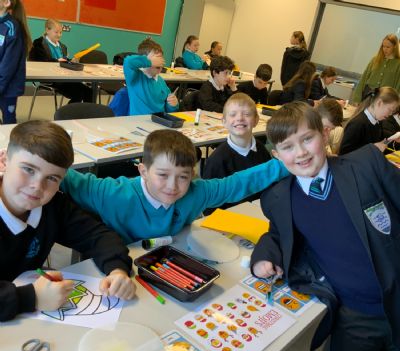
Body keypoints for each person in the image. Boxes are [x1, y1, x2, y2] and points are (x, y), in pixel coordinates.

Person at [251, 101, 400, 351]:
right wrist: (263, 256)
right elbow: (277, 233)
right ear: (277, 155)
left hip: (397, 298)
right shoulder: (280, 198)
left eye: (307, 139)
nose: (301, 153)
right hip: (354, 317)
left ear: (325, 134)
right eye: (288, 147)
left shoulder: (366, 165)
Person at [0, 120, 135, 322]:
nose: (37, 186)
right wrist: (31, 298)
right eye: (28, 169)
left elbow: (97, 235)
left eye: (52, 178)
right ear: (3, 161)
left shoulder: (53, 206)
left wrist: (117, 270)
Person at [61, 129, 288, 244]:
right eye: (162, 175)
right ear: (143, 171)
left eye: (183, 177)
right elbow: (66, 176)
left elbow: (236, 183)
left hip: (170, 261)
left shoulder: (195, 192)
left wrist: (287, 163)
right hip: (124, 268)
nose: (172, 186)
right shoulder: (113, 194)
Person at [202, 93, 270, 212]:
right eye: (233, 114)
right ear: (224, 121)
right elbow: (209, 205)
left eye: (247, 114)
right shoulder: (217, 161)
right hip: (229, 218)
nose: (239, 118)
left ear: (256, 120)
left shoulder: (262, 151)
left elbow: (270, 186)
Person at [28, 19, 93, 104]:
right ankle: (68, 112)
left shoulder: (62, 46)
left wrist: (71, 61)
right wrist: (56, 61)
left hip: (64, 77)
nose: (59, 35)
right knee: (78, 94)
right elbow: (39, 62)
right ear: (47, 30)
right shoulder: (38, 43)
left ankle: (87, 112)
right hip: (50, 77)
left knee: (89, 92)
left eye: (61, 32)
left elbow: (64, 60)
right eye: (56, 32)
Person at [123, 38, 178, 116]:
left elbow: (168, 109)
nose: (160, 61)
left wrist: (173, 105)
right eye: (156, 58)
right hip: (139, 120)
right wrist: (149, 62)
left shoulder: (161, 81)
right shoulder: (135, 77)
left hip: (159, 120)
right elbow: (128, 61)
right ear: (144, 59)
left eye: (161, 58)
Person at [339, 86, 399, 155]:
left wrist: (392, 139)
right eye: (390, 110)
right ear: (379, 103)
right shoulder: (358, 124)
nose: (390, 114)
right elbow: (344, 152)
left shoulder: (378, 122)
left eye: (392, 111)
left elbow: (379, 144)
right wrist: (373, 148)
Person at [0, 0, 31, 124]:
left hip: (8, 88)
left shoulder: (12, 27)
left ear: (6, 3)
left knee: (8, 121)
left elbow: (8, 66)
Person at [352, 34, 400, 104]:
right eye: (383, 46)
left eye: (388, 47)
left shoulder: (398, 64)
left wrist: (394, 103)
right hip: (367, 95)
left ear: (395, 47)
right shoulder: (375, 59)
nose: (385, 49)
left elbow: (398, 87)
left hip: (385, 99)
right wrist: (357, 98)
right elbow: (363, 78)